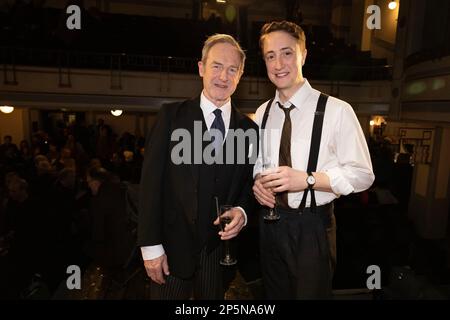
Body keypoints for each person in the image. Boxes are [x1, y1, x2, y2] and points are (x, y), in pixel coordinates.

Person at [252, 21, 375, 299]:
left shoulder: (337, 110)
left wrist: (307, 179)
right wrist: (257, 183)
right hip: (270, 224)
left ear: (303, 55)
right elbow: (258, 165)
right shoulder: (262, 112)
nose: (278, 63)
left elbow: (363, 175)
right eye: (271, 56)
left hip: (312, 227)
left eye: (287, 53)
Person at [138, 34, 258, 300]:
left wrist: (242, 211)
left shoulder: (249, 130)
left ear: (240, 76)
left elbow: (250, 188)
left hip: (219, 254)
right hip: (169, 251)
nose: (223, 77)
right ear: (201, 68)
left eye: (232, 70)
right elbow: (149, 185)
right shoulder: (170, 116)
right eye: (216, 66)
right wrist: (150, 246)